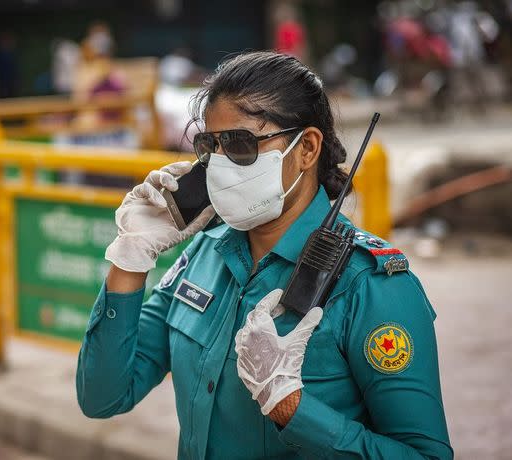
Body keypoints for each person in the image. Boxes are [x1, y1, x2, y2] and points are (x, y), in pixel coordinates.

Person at [76, 51, 452, 459]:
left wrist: (291, 407)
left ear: (306, 148)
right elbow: (102, 397)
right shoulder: (204, 254)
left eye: (239, 144)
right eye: (210, 145)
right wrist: (130, 258)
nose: (218, 163)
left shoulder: (370, 286)